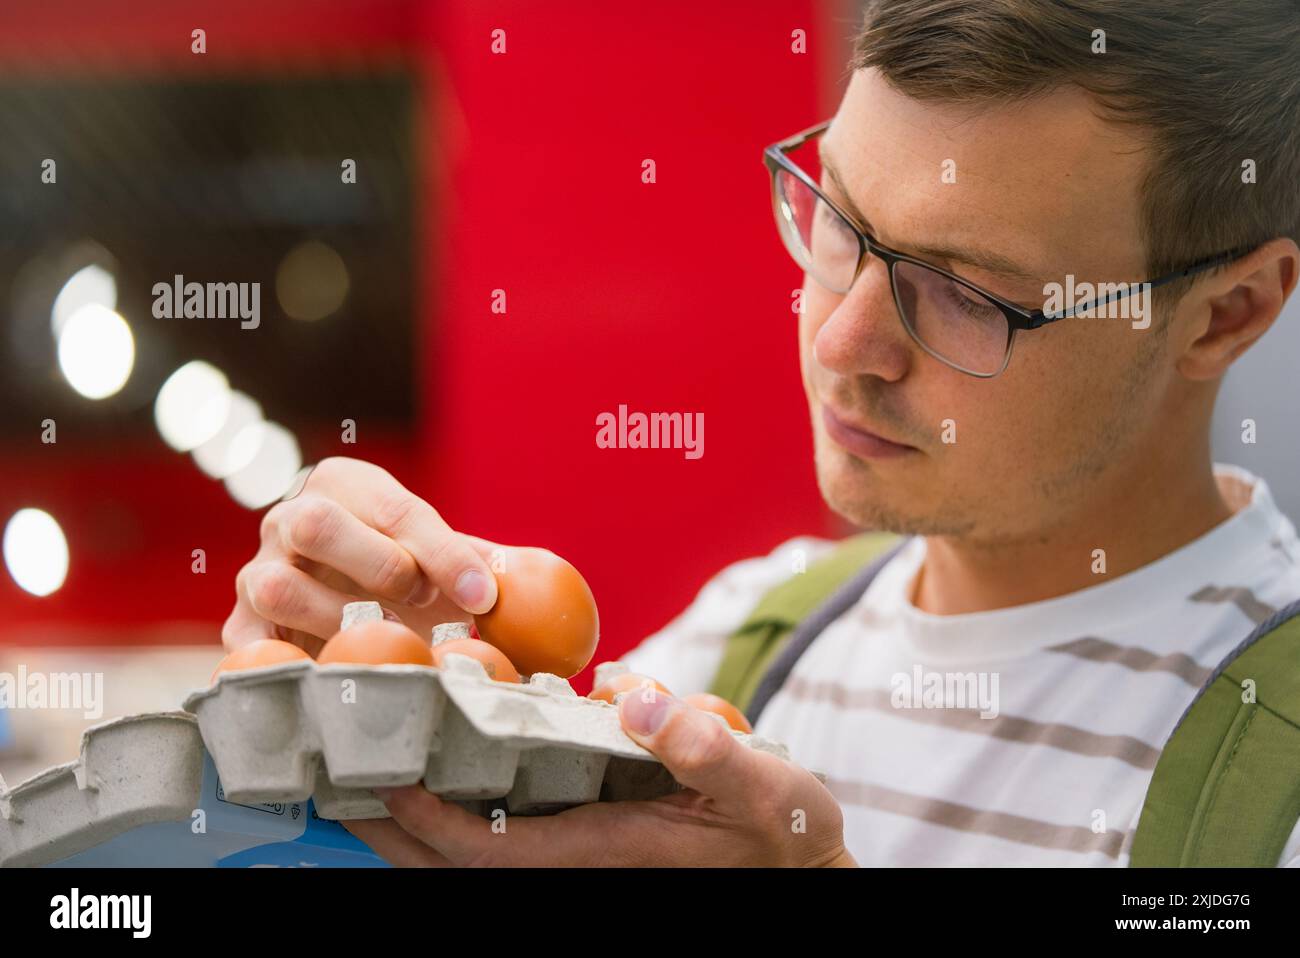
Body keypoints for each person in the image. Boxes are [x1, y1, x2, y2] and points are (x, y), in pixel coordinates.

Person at [221, 0, 1300, 866]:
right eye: (838, 219)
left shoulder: (1271, 765)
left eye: (967, 294)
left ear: (1228, 313)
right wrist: (357, 681)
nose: (840, 340)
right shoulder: (755, 644)